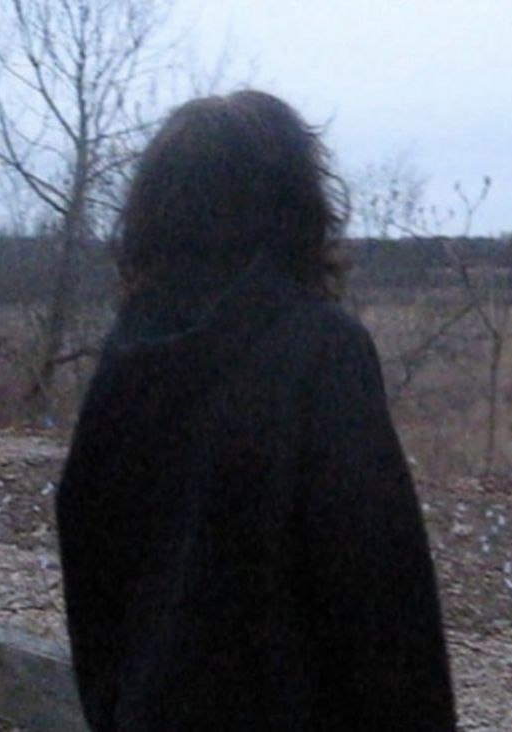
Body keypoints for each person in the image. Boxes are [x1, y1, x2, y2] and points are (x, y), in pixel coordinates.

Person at [56, 90, 456, 732]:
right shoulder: (319, 352)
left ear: (156, 213)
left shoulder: (128, 357)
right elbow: (385, 608)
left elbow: (92, 583)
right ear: (297, 207)